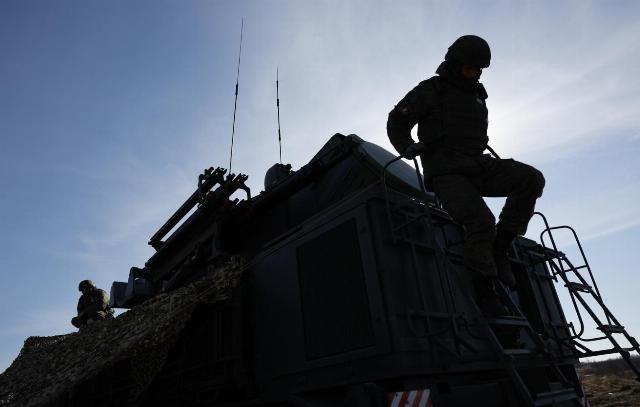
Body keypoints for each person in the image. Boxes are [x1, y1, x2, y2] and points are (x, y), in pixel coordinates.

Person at [386, 35, 545, 315]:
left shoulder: (477, 95)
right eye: (470, 68)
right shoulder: (431, 89)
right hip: (446, 171)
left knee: (530, 178)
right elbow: (397, 120)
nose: (475, 73)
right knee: (481, 222)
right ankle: (485, 292)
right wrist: (406, 147)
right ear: (455, 63)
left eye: (479, 69)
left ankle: (500, 249)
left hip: (476, 166)